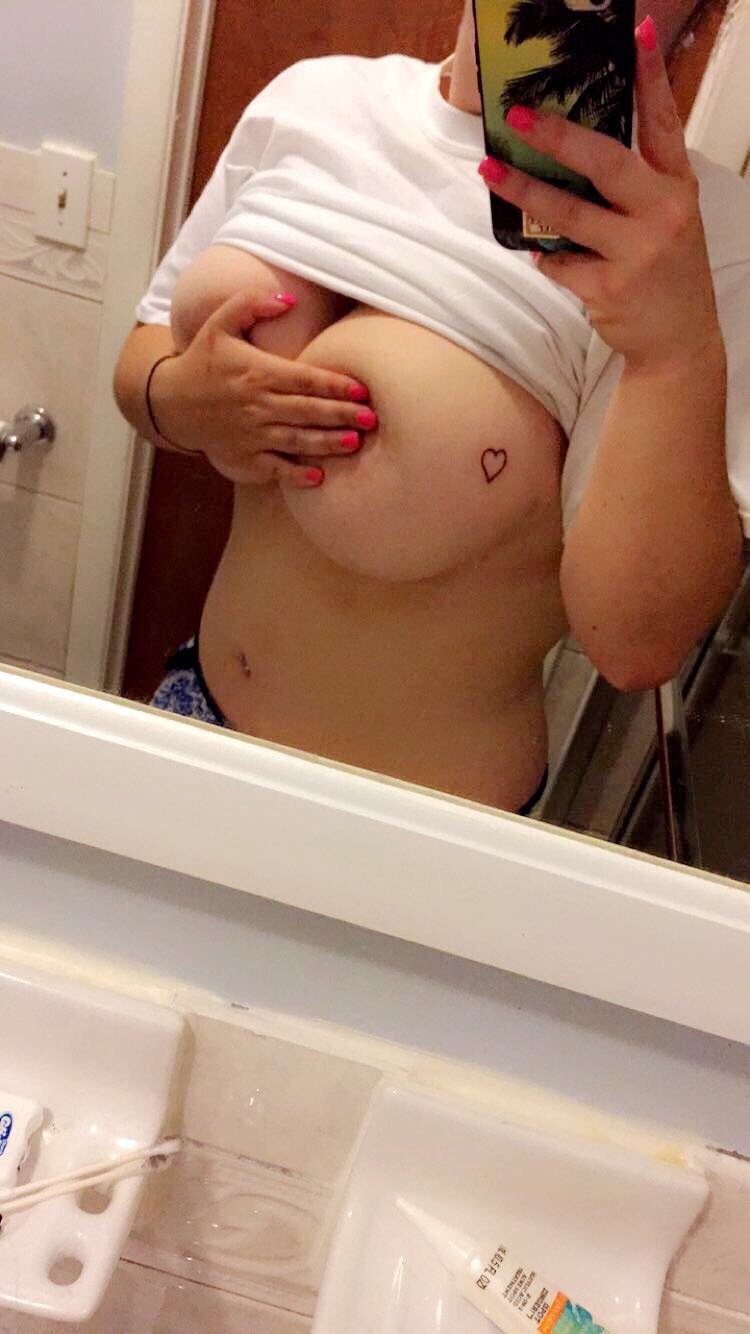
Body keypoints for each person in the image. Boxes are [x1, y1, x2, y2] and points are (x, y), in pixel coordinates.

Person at [114, 0, 750, 813]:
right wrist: (182, 401)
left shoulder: (694, 241)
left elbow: (635, 648)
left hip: (416, 827)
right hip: (192, 718)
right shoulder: (314, 98)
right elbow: (141, 363)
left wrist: (673, 352)